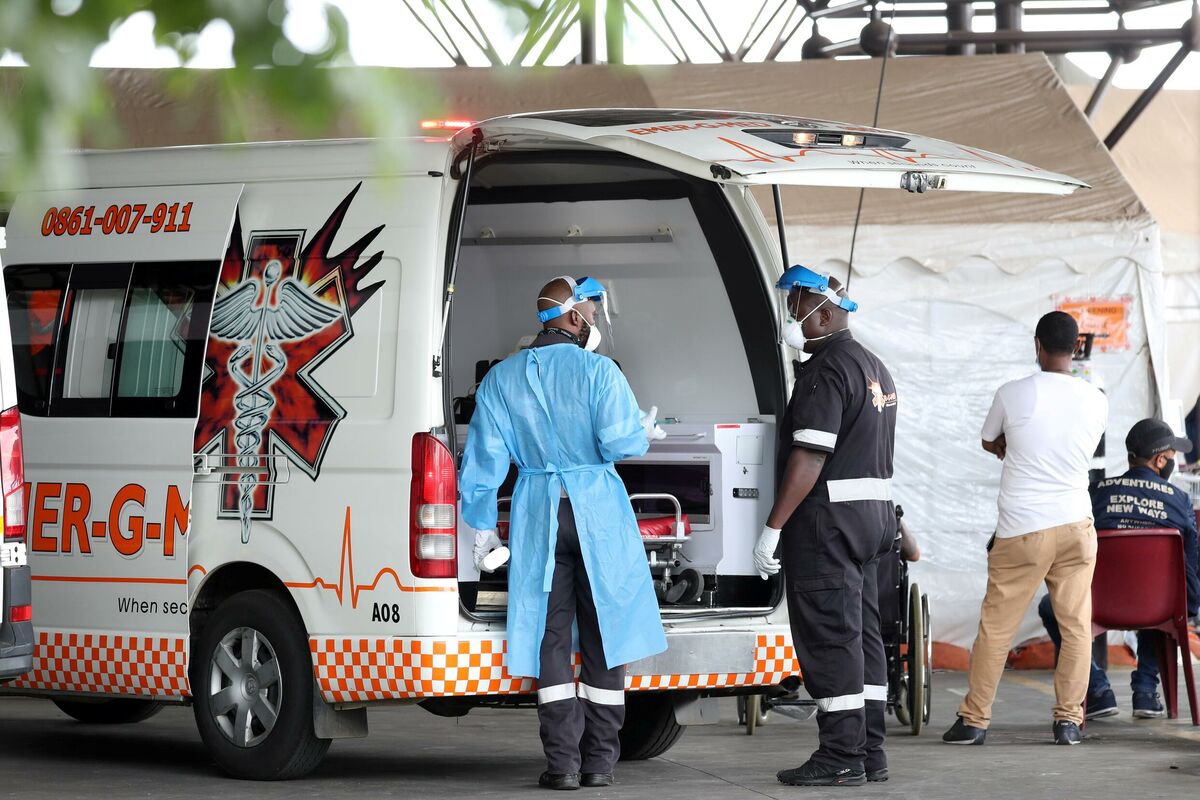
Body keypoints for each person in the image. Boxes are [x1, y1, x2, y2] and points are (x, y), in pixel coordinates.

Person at [459, 276, 667, 791]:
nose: (593, 321)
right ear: (573, 317)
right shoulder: (600, 371)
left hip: (539, 514)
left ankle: (562, 766)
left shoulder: (501, 379)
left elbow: (483, 462)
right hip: (597, 513)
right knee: (605, 634)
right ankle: (599, 764)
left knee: (550, 637)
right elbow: (620, 444)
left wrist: (483, 531)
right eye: (590, 313)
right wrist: (642, 431)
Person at [754, 266, 898, 787]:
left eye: (795, 308)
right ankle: (869, 751)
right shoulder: (874, 366)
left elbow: (811, 454)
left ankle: (840, 754)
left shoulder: (826, 369)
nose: (791, 318)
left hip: (828, 524)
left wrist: (773, 527)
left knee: (831, 638)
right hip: (873, 521)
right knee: (863, 637)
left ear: (824, 314)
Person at [943, 311, 1107, 747]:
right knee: (1076, 627)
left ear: (1037, 345)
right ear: (1077, 347)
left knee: (997, 628)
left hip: (1023, 529)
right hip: (1076, 525)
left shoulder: (1013, 393)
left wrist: (1012, 447)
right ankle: (1068, 721)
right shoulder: (1097, 399)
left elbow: (988, 439)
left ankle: (974, 721)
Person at [1037, 418, 1197, 719]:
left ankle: (1097, 689)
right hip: (1158, 607)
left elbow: (1071, 550)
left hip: (1099, 605)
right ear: (1160, 460)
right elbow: (1191, 566)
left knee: (1050, 606)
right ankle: (1146, 691)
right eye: (1172, 456)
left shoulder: (1095, 493)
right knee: (1167, 595)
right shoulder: (1179, 501)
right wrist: (1190, 603)